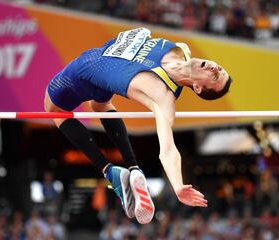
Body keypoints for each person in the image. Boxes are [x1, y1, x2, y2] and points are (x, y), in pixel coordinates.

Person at [44, 27, 232, 224]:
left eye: (216, 77)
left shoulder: (162, 97)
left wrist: (178, 185)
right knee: (100, 105)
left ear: (198, 87)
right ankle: (133, 167)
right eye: (219, 69)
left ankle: (109, 170)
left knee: (54, 110)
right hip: (104, 69)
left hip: (85, 68)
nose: (215, 69)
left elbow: (168, 149)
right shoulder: (181, 49)